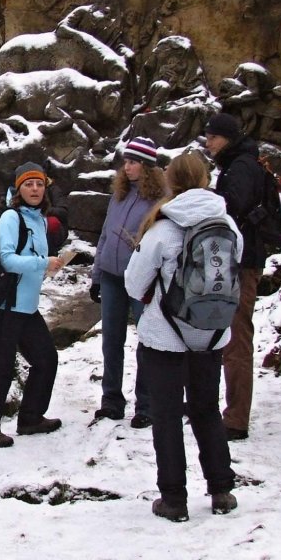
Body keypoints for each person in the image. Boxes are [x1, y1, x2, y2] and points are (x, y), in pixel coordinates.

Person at [124, 152, 240, 522]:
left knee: (167, 416)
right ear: (206, 179)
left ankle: (174, 499)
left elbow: (134, 283)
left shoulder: (163, 229)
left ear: (171, 182)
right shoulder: (227, 224)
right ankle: (221, 490)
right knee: (207, 410)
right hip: (212, 334)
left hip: (166, 337)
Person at [0, 162, 64, 448]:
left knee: (46, 359)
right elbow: (7, 260)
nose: (35, 189)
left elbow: (32, 260)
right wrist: (42, 263)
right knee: (0, 367)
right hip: (5, 306)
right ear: (18, 189)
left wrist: (48, 267)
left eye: (39, 184)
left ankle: (30, 418)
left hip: (26, 306)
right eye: (28, 184)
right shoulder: (11, 218)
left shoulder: (40, 219)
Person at [90, 136, 166, 428]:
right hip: (111, 276)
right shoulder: (119, 195)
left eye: (133, 162)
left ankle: (146, 404)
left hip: (142, 279)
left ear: (146, 167)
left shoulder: (160, 200)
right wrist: (97, 276)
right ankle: (111, 400)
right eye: (126, 162)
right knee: (111, 340)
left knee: (146, 340)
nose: (127, 167)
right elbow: (105, 235)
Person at [204, 112, 266, 442]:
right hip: (233, 259)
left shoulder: (241, 166)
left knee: (237, 337)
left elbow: (231, 208)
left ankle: (236, 418)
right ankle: (220, 407)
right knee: (224, 333)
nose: (208, 142)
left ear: (228, 137)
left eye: (213, 136)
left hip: (243, 261)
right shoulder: (236, 163)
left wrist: (203, 200)